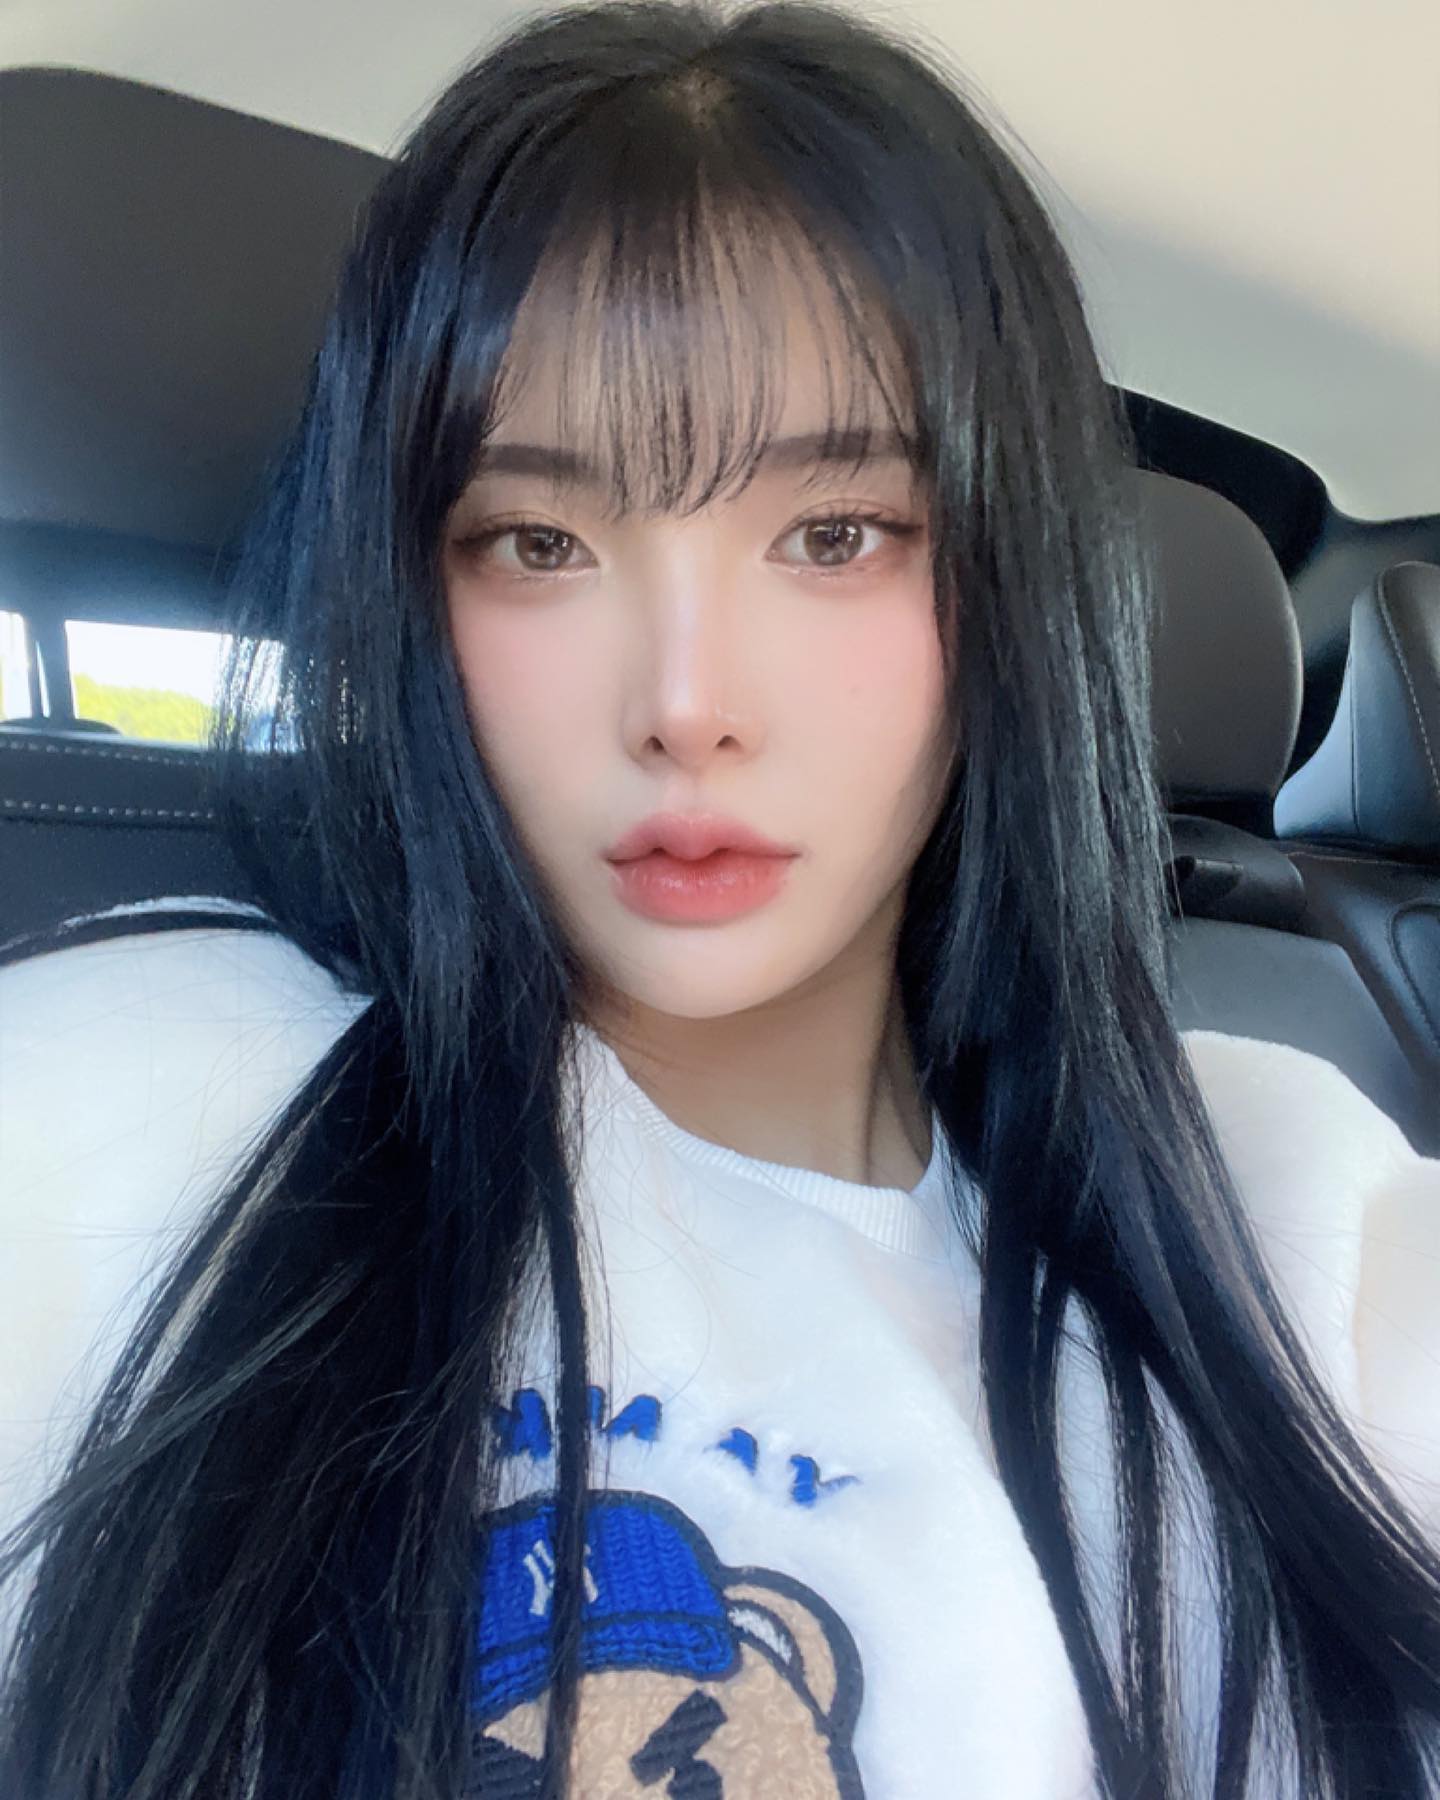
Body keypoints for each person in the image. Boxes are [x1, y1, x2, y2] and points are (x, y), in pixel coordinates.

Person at [1, 3, 1437, 1795]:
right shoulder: (138, 1089)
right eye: (538, 543)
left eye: (836, 536)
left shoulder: (1297, 1204)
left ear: (1008, 587)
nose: (685, 703)